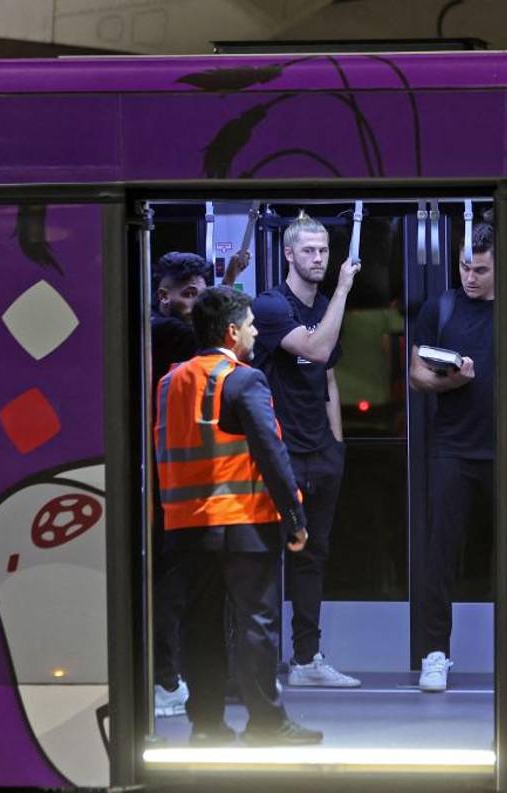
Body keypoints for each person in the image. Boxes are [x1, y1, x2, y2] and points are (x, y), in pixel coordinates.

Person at [154, 286, 321, 745]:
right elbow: (271, 451)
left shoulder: (170, 383)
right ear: (231, 332)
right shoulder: (243, 379)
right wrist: (294, 516)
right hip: (243, 522)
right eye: (249, 325)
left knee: (199, 625)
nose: (253, 332)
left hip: (185, 526)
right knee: (256, 623)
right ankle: (266, 724)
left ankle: (206, 727)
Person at [252, 214, 361, 688]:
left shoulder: (325, 308)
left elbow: (328, 375)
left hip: (321, 452)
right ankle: (257, 666)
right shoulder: (272, 305)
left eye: (324, 251)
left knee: (312, 555)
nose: (319, 258)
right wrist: (341, 290)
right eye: (310, 251)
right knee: (262, 558)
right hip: (280, 453)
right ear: (289, 254)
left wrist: (336, 443)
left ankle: (307, 660)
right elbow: (314, 349)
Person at [150, 250, 248, 717]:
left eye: (201, 295)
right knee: (172, 590)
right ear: (162, 296)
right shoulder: (164, 330)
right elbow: (209, 337)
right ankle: (166, 679)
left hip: (174, 486)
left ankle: (174, 677)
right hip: (173, 491)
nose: (196, 304)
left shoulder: (167, 329)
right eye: (189, 295)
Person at [408, 220, 495, 693]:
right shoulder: (440, 307)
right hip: (453, 448)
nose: (470, 276)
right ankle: (435, 654)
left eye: (480, 269)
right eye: (464, 266)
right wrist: (452, 382)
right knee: (440, 555)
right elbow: (417, 376)